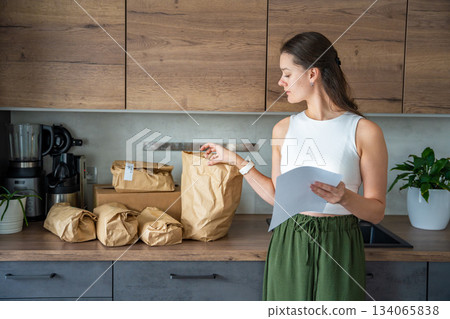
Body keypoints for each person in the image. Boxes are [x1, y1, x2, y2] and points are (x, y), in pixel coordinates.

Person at [200, 32, 388, 301]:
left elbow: (377, 212)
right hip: (290, 238)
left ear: (312, 74)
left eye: (287, 73)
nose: (281, 81)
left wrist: (345, 197)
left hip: (340, 241)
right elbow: (279, 199)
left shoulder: (364, 131)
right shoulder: (284, 129)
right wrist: (236, 161)